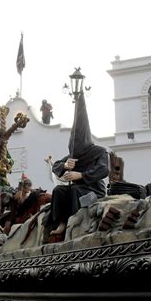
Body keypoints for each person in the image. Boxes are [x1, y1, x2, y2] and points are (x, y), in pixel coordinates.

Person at [46, 92, 109, 236]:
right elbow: (56, 166)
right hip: (77, 189)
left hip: (95, 190)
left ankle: (76, 223)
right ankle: (62, 223)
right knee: (59, 191)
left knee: (75, 190)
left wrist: (80, 175)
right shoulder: (74, 155)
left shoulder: (100, 152)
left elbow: (104, 169)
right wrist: (64, 166)